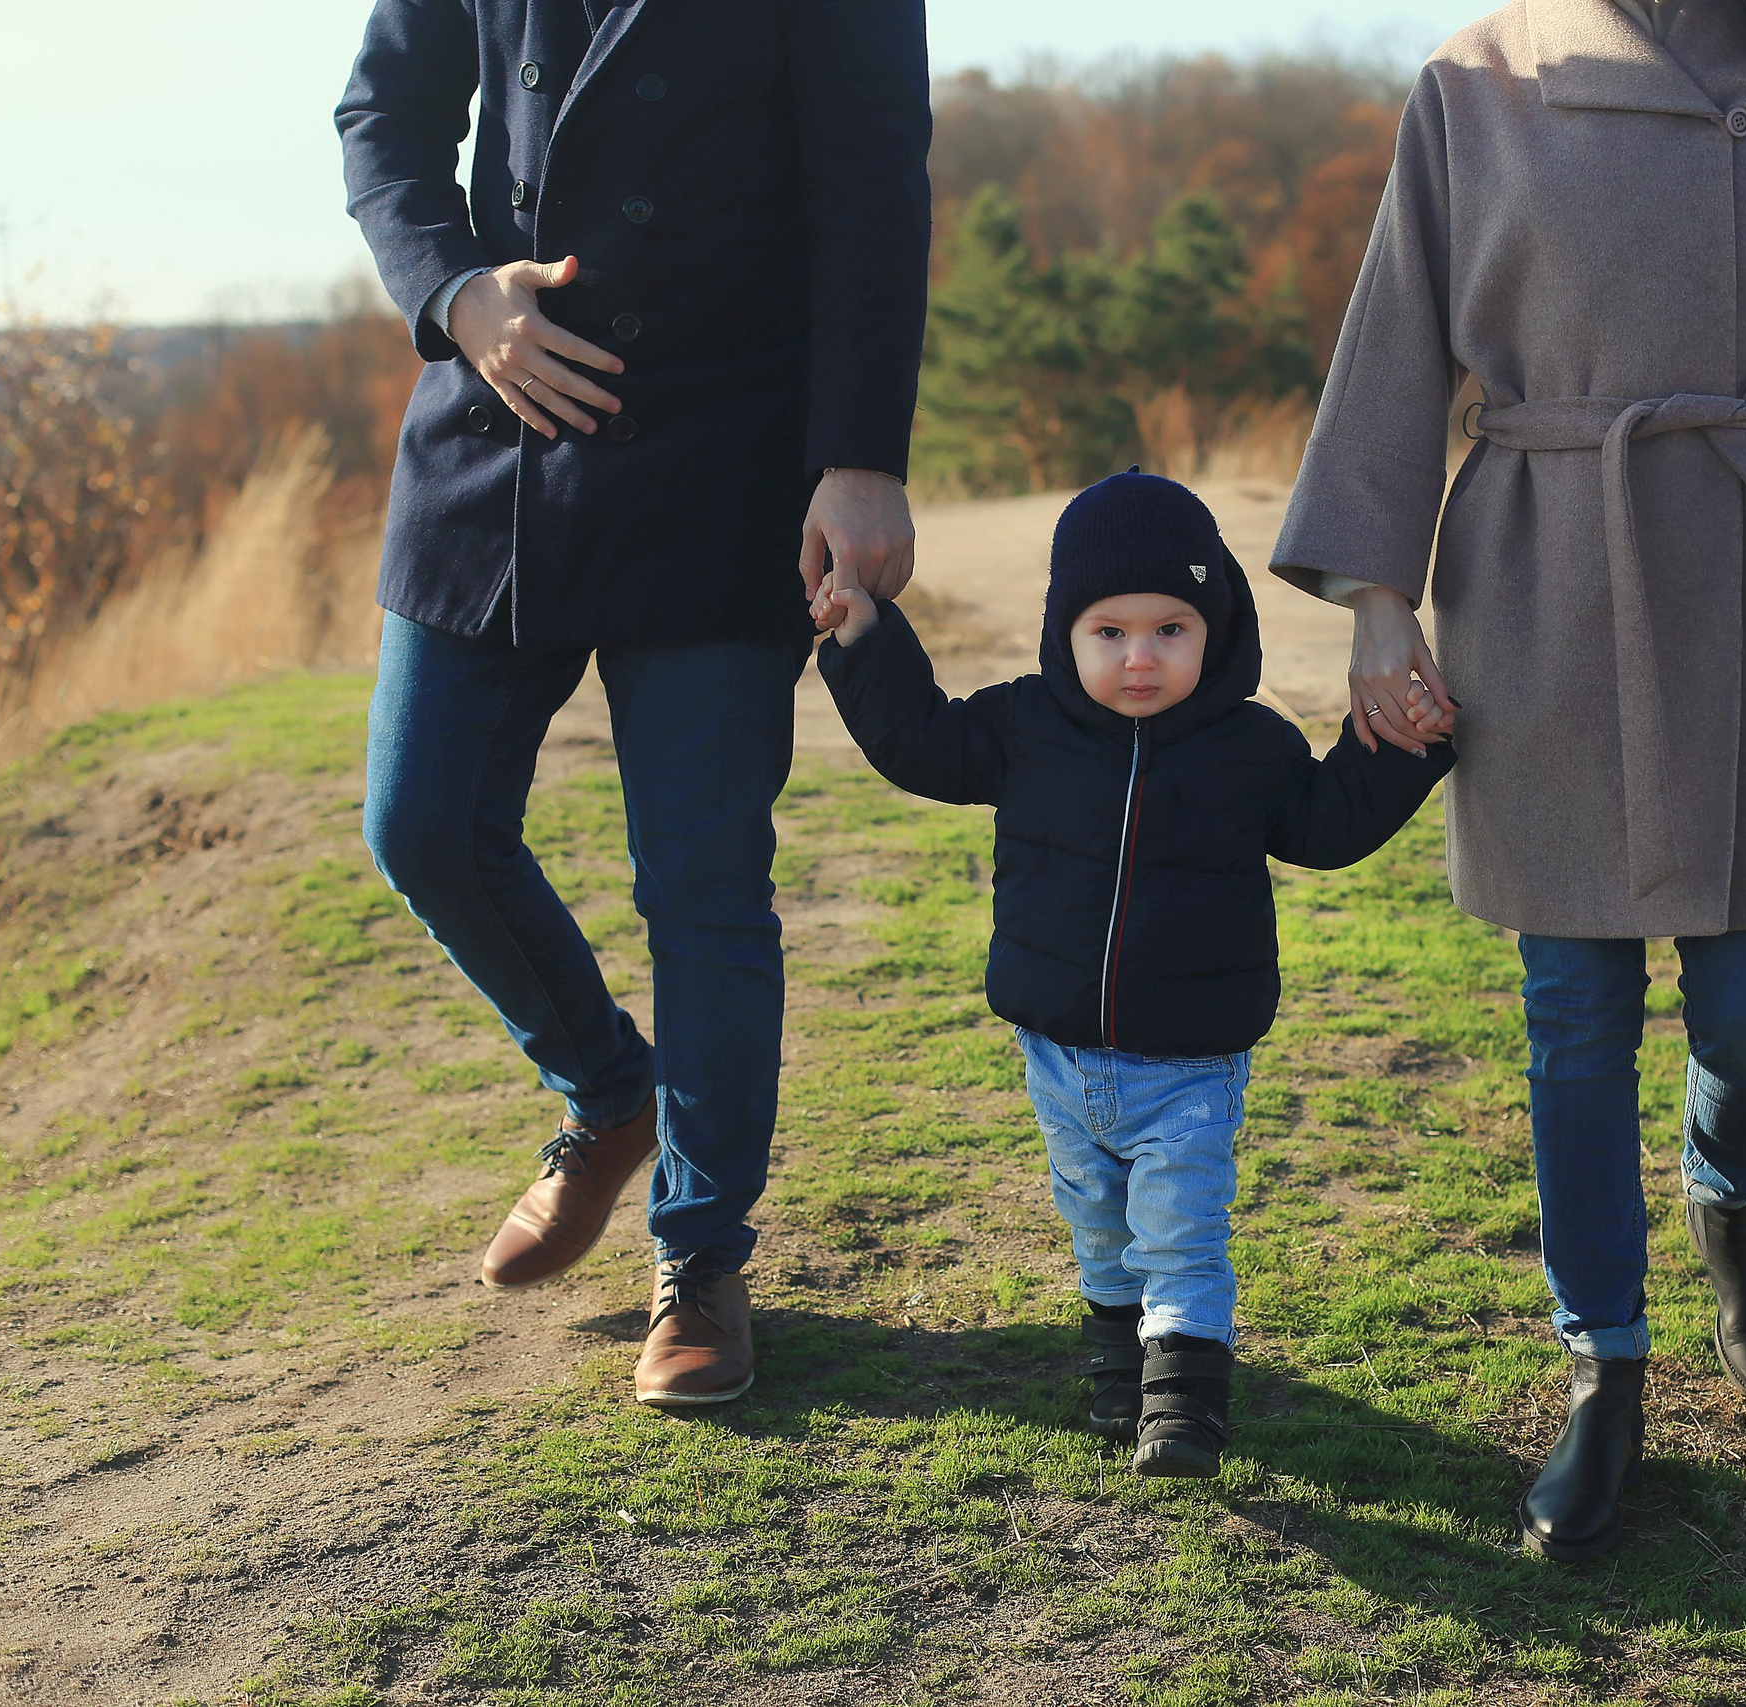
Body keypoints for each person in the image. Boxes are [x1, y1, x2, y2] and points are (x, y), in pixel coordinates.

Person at [1270, 0, 1746, 1558]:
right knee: (1572, 1010)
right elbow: (1395, 339)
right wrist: (1377, 596)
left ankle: (1728, 1186)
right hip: (1550, 580)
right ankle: (1606, 1361)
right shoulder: (1478, 82)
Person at [334, 0, 932, 1409]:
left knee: (702, 883)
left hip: (728, 444)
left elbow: (870, 181)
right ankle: (610, 1092)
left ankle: (701, 1252)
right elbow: (386, 115)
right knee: (422, 824)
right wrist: (456, 291)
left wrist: (860, 455)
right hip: (497, 424)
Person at [814, 472, 1453, 1477]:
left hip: (1189, 1066)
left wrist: (1406, 748)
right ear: (1065, 632)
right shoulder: (1022, 727)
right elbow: (918, 742)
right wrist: (864, 642)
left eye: (1170, 630)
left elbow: (1327, 826)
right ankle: (1121, 1371)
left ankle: (1185, 1410)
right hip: (1059, 1057)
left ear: (1216, 631)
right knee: (1100, 1228)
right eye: (1108, 631)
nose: (1140, 656)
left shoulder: (1251, 747)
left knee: (1178, 1233)